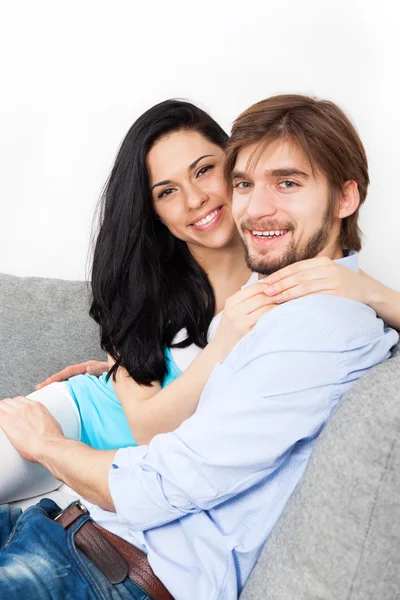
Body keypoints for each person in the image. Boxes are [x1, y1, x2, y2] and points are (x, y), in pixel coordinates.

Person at [0, 94, 398, 600]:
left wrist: (48, 446)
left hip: (105, 563)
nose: (256, 208)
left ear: (345, 198)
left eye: (288, 183)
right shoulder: (268, 293)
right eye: (245, 184)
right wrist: (116, 370)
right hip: (69, 519)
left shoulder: (322, 325)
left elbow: (166, 481)